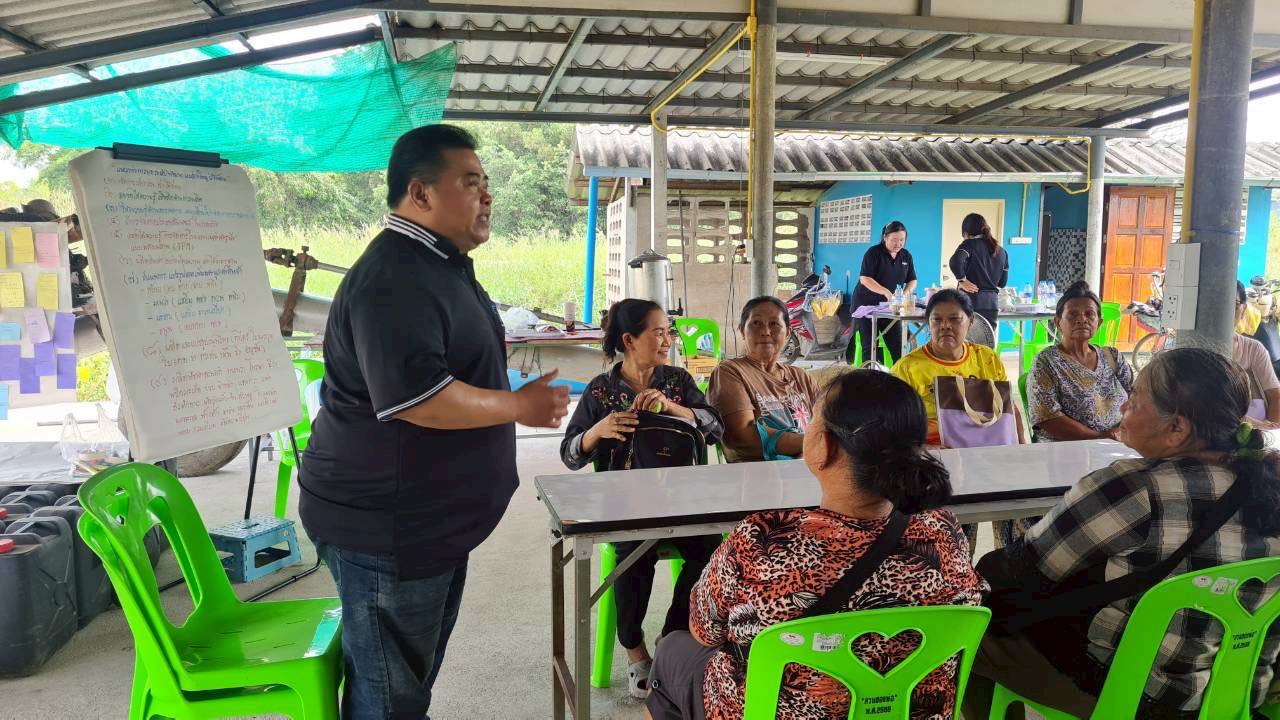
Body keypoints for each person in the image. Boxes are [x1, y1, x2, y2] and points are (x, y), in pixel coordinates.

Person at [297, 124, 571, 719]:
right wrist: (518, 406)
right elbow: (419, 398)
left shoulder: (436, 262)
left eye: (487, 182)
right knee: (389, 696)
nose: (487, 195)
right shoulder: (394, 277)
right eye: (470, 182)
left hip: (427, 524)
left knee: (405, 679)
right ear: (420, 195)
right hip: (388, 528)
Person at [645, 370, 987, 720]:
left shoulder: (762, 539)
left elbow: (705, 630)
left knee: (672, 651)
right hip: (906, 712)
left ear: (824, 446)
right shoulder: (943, 531)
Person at [964, 348, 1280, 720]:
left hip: (1144, 698)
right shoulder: (1268, 483)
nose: (1124, 407)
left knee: (970, 634)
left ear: (1177, 429)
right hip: (1240, 689)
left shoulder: (1134, 487)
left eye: (1135, 398)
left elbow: (1024, 569)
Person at [560, 297, 724, 698]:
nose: (668, 339)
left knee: (713, 549)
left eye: (669, 331)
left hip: (683, 499)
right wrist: (597, 431)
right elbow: (569, 455)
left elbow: (715, 427)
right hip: (626, 504)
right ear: (630, 340)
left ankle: (673, 636)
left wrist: (672, 407)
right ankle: (636, 653)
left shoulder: (677, 382)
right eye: (659, 332)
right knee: (633, 554)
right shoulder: (601, 391)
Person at [890, 289, 1010, 447]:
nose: (945, 326)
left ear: (971, 322)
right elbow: (893, 427)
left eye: (955, 319)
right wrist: (926, 451)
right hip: (932, 454)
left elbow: (1008, 409)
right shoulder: (907, 368)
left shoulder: (986, 358)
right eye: (937, 320)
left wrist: (1020, 447)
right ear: (929, 323)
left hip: (985, 448)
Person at [707, 296, 821, 462]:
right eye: (756, 323)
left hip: (810, 469)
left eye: (774, 324)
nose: (766, 331)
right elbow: (742, 437)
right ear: (741, 331)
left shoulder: (801, 377)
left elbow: (829, 424)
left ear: (788, 332)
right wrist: (810, 444)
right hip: (757, 476)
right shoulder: (730, 372)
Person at [1028, 280, 1135, 441]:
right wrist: (1101, 437)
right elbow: (1047, 418)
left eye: (1089, 314)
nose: (1082, 320)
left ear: (1098, 323)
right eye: (1073, 314)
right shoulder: (1046, 362)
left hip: (1118, 444)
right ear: (1058, 322)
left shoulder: (1112, 356)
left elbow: (1138, 397)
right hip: (1067, 450)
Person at [847, 220, 917, 365]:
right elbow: (865, 279)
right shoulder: (873, 253)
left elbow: (912, 280)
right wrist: (885, 291)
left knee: (898, 347)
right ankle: (869, 381)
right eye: (894, 240)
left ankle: (900, 380)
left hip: (890, 307)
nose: (898, 243)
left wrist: (905, 293)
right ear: (885, 237)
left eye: (902, 240)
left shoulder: (906, 256)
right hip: (866, 306)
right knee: (869, 346)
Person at [948, 212, 1008, 331]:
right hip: (991, 304)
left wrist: (962, 280)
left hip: (970, 302)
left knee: (968, 344)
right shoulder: (1001, 251)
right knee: (986, 343)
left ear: (966, 232)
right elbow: (1002, 283)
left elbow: (955, 261)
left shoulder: (969, 244)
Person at [1235, 281, 1280, 423]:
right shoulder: (1191, 352)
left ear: (1243, 310)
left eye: (1233, 305)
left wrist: (1264, 433)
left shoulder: (1253, 350)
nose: (1223, 311)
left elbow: (1276, 398)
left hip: (1253, 438)